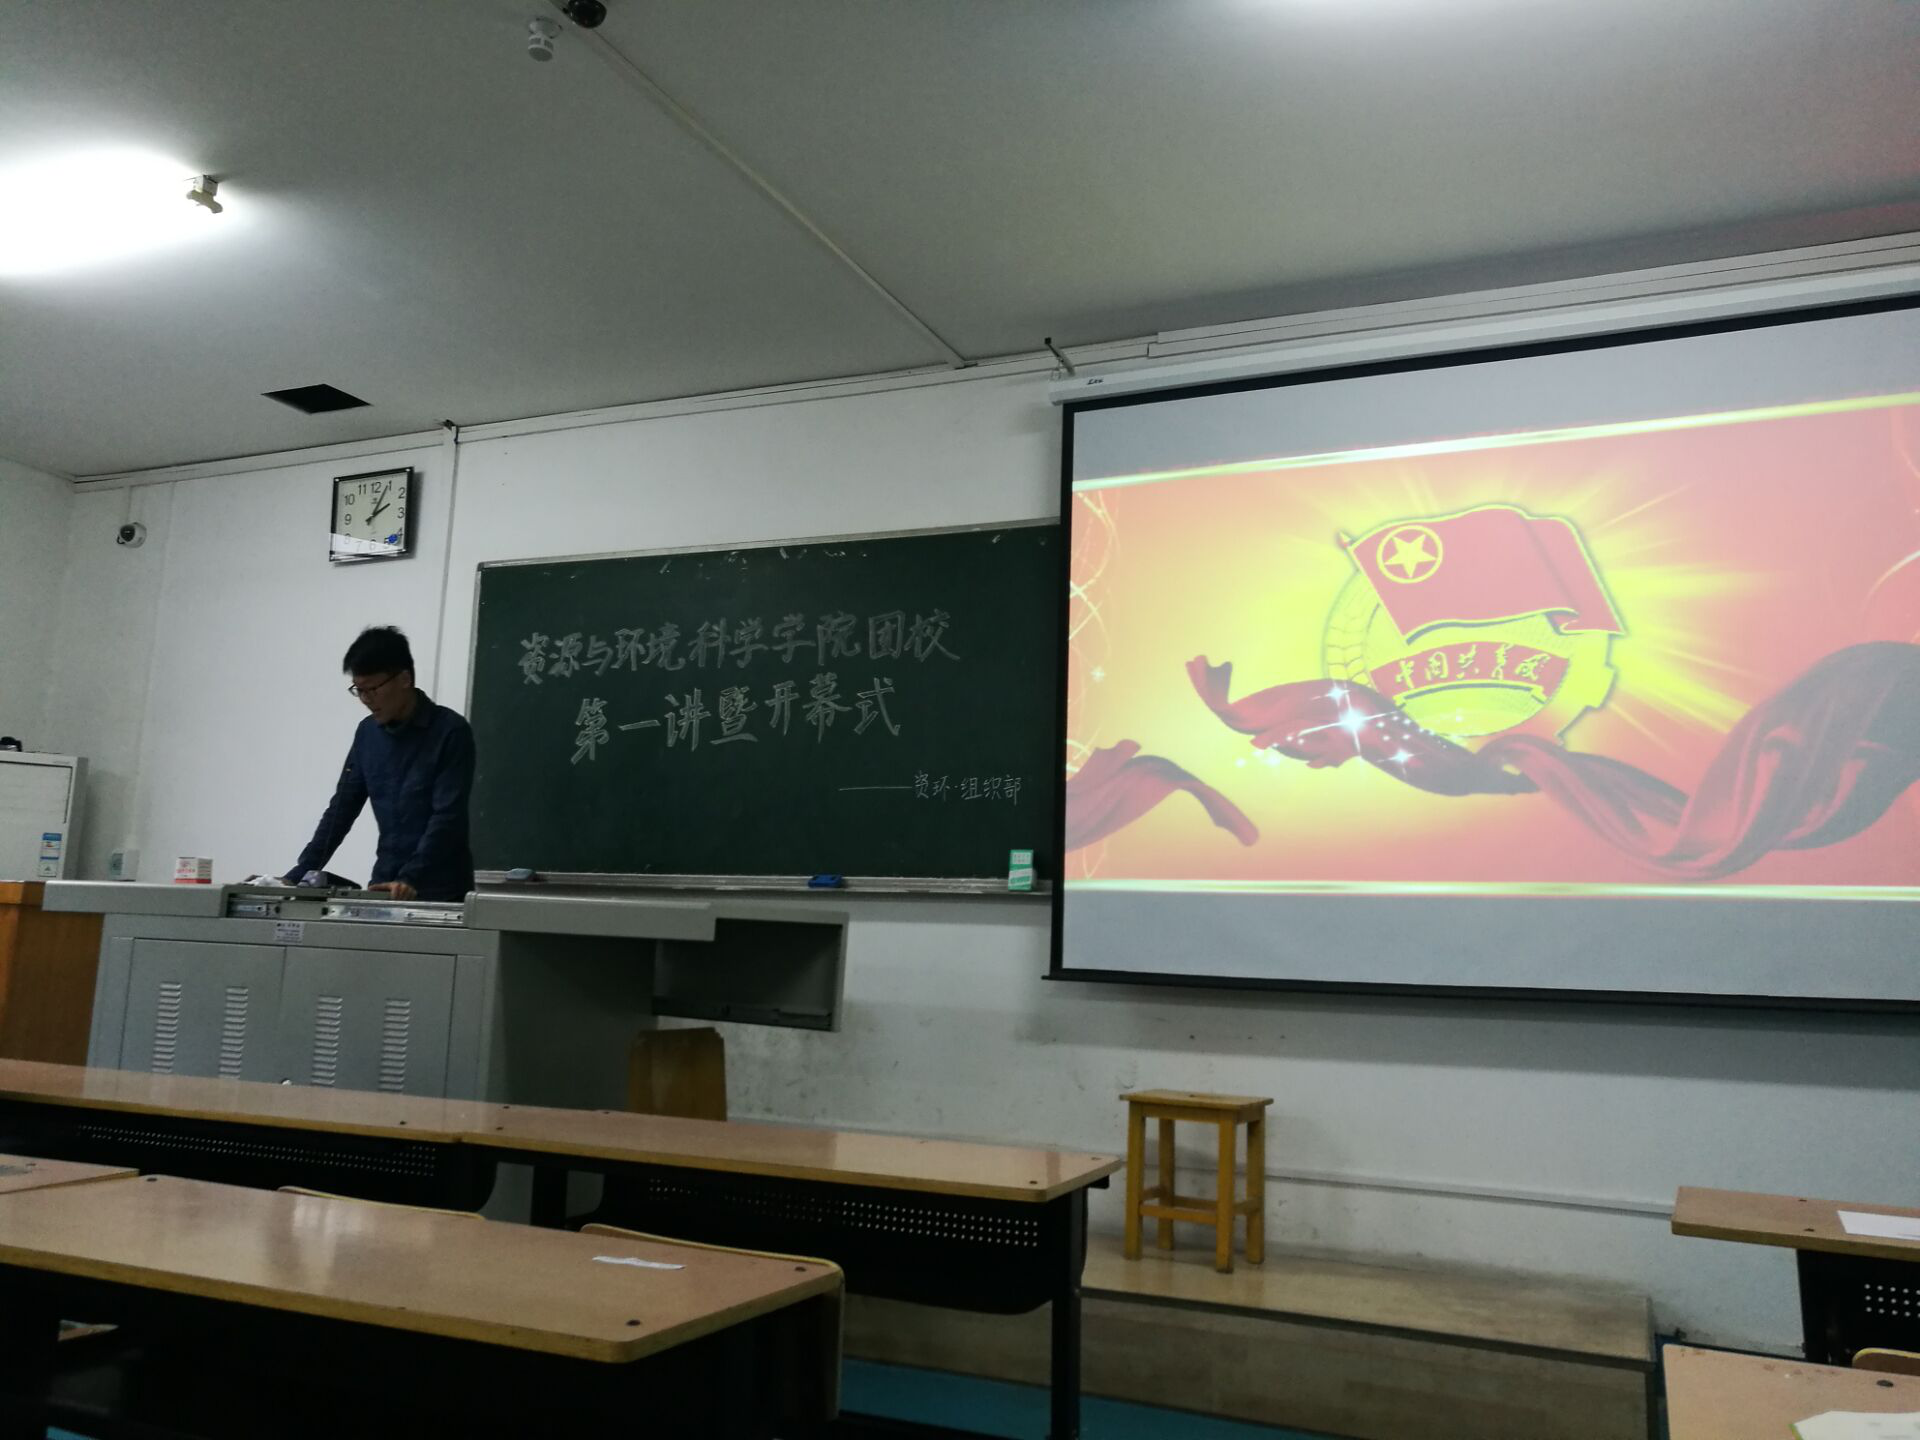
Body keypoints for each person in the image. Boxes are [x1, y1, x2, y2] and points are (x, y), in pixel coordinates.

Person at [286, 626, 476, 902]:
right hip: (384, 884)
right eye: (359, 690)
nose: (366, 700)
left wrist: (410, 878)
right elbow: (341, 809)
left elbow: (447, 817)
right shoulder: (367, 734)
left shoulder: (450, 731)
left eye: (373, 689)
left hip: (441, 890)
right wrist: (299, 874)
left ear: (404, 679)